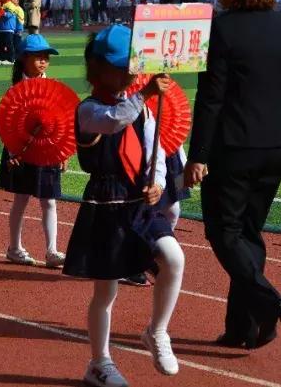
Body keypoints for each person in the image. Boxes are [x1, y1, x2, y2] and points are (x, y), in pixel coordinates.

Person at [185, 0, 281, 350]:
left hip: (235, 145)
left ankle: (265, 301)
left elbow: (211, 98)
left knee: (223, 232)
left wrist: (198, 154)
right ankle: (241, 328)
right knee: (248, 234)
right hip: (277, 141)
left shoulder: (223, 29)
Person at [64, 25, 184, 387]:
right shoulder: (89, 110)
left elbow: (156, 152)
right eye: (120, 67)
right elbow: (113, 122)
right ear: (96, 70)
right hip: (106, 206)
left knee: (174, 259)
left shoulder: (142, 110)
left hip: (139, 206)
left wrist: (158, 182)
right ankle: (99, 362)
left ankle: (157, 331)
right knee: (106, 292)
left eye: (132, 67)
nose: (129, 74)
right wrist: (144, 94)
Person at [0, 34, 65, 269]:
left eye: (46, 57)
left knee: (50, 201)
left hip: (47, 151)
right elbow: (7, 125)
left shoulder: (53, 87)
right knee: (21, 199)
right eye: (38, 57)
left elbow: (60, 122)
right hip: (22, 153)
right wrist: (13, 152)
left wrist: (62, 152)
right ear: (24, 59)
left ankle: (52, 250)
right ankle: (14, 247)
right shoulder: (16, 90)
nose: (43, 61)